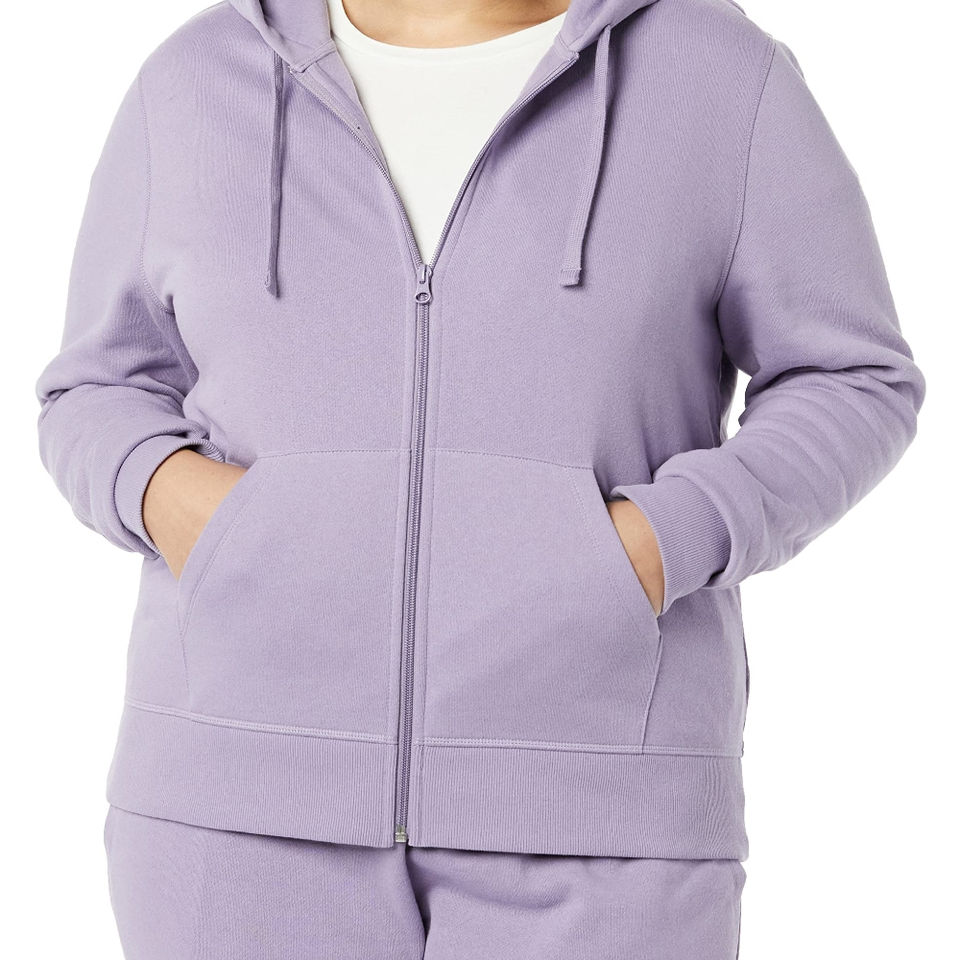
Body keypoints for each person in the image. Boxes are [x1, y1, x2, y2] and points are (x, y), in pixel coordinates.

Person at [34, 0, 925, 956]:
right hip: (231, 815)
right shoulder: (197, 79)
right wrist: (186, 507)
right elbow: (98, 386)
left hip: (603, 820)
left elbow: (852, 377)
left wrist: (657, 544)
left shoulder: (720, 77)